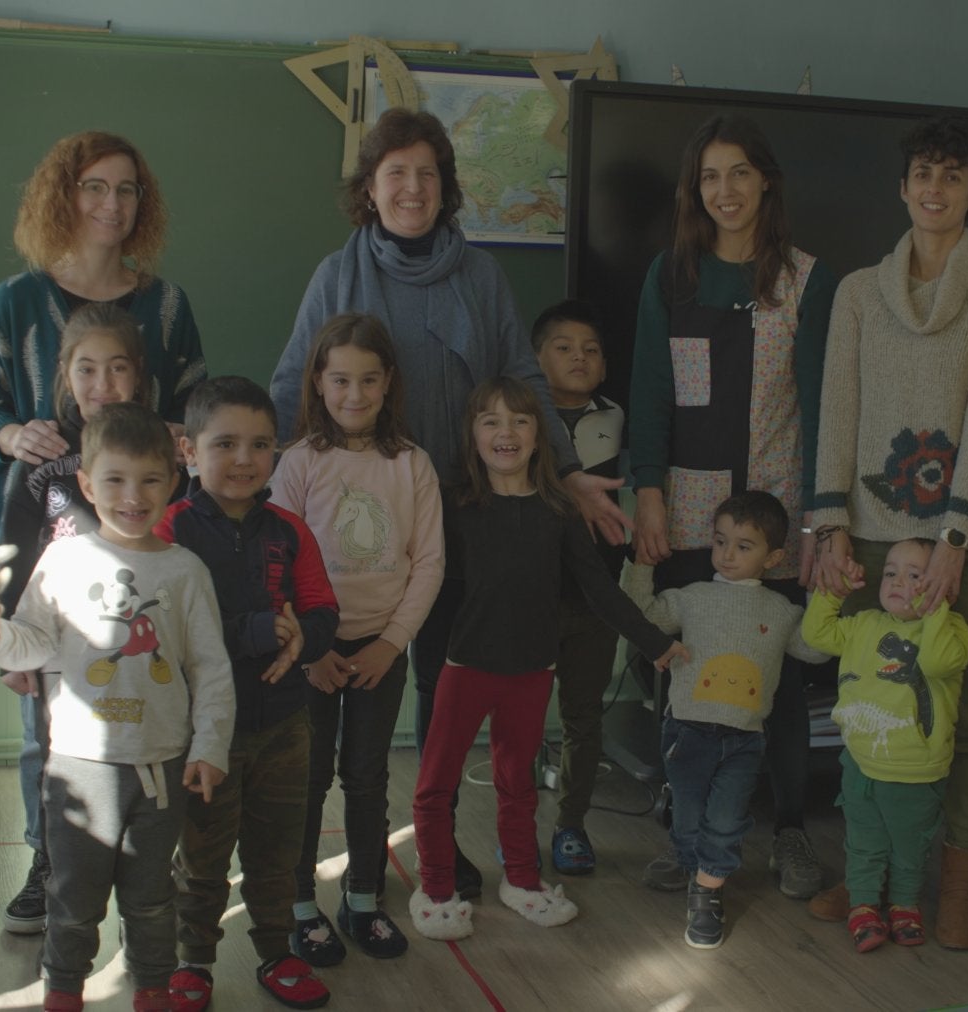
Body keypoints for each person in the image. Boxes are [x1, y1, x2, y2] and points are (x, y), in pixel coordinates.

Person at [269, 109, 625, 896]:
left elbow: (524, 383)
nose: (412, 187)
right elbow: (295, 379)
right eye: (395, 172)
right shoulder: (337, 275)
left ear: (447, 188)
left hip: (464, 520)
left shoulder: (481, 275)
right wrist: (255, 481)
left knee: (445, 686)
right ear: (369, 188)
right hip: (358, 531)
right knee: (340, 711)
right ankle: (325, 870)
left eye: (428, 172)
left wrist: (563, 471)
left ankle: (438, 843)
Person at [0, 131, 205, 932]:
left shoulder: (165, 306)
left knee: (150, 705)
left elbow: (194, 410)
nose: (111, 203)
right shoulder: (14, 301)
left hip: (144, 541)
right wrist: (10, 437)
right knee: (47, 722)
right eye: (94, 187)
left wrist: (178, 438)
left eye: (127, 189)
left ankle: (147, 857)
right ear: (64, 195)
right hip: (48, 543)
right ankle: (49, 862)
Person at [808, 117, 968, 949]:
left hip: (966, 537)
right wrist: (828, 524)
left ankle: (959, 882)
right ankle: (871, 871)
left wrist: (954, 538)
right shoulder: (860, 292)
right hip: (869, 525)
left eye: (954, 176)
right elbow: (838, 409)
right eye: (923, 174)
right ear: (903, 188)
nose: (935, 189)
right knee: (868, 704)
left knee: (965, 714)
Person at [629, 115, 839, 900]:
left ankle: (787, 829)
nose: (726, 191)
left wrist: (819, 520)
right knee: (682, 670)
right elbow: (651, 389)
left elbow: (820, 404)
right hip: (687, 511)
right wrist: (648, 492)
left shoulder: (807, 279)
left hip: (776, 512)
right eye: (711, 176)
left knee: (775, 680)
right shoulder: (671, 275)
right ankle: (685, 830)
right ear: (696, 190)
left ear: (767, 183)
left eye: (741, 173)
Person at [0, 402, 234, 1012]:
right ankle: (63, 992)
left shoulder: (186, 571)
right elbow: (29, 643)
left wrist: (210, 746)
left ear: (174, 482)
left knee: (150, 898)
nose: (132, 495)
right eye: (114, 479)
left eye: (150, 480)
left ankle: (151, 990)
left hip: (161, 766)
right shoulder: (62, 560)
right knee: (73, 897)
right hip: (78, 768)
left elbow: (211, 668)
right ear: (86, 484)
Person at [406, 378, 685, 942]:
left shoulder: (558, 511)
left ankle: (522, 882)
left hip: (531, 673)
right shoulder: (454, 506)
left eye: (520, 421)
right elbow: (423, 583)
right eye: (491, 421)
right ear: (473, 435)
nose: (505, 432)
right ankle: (435, 888)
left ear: (539, 438)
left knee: (518, 785)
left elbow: (599, 590)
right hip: (464, 668)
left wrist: (656, 643)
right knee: (435, 786)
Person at [157, 378, 339, 1012]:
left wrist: (303, 640)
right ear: (187, 450)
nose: (243, 459)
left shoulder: (289, 530)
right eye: (225, 443)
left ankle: (277, 953)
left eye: (260, 444)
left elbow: (322, 612)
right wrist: (261, 631)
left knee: (278, 854)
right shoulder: (168, 533)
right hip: (206, 735)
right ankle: (193, 964)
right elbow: (170, 637)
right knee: (202, 858)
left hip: (287, 724)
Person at [269, 312, 444, 964]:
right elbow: (275, 565)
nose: (354, 394)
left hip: (379, 651)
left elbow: (428, 562)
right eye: (340, 379)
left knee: (367, 777)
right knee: (307, 779)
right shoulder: (297, 464)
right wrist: (309, 652)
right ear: (318, 381)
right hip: (309, 654)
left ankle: (364, 898)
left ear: (388, 383)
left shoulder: (413, 465)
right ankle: (298, 904)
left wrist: (391, 643)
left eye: (369, 380)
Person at [0, 303, 159, 934]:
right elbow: (9, 558)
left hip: (138, 649)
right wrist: (11, 650)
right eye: (86, 369)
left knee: (143, 748)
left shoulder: (163, 453)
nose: (102, 384)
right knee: (47, 751)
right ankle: (48, 862)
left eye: (117, 368)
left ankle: (144, 870)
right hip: (56, 652)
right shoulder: (42, 464)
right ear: (65, 374)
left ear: (138, 376)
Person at [621, 491, 827, 949]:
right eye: (720, 541)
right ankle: (688, 856)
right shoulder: (692, 598)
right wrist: (641, 563)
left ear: (773, 557)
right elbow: (643, 616)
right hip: (686, 733)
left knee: (726, 819)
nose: (727, 554)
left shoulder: (781, 610)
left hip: (745, 741)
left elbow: (814, 648)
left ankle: (706, 894)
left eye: (743, 545)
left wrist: (825, 595)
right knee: (689, 817)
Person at [803, 539, 968, 952]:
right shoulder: (864, 623)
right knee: (863, 842)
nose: (897, 581)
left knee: (909, 848)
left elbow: (933, 663)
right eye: (891, 572)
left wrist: (934, 608)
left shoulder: (951, 630)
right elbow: (816, 634)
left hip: (916, 772)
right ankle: (862, 905)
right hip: (860, 764)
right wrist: (834, 592)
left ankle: (904, 905)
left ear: (942, 586)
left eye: (916, 576)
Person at [531, 299, 627, 876]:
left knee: (584, 715)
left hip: (594, 595)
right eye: (563, 347)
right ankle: (514, 827)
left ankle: (571, 826)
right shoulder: (516, 417)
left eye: (591, 350)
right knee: (520, 717)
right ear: (534, 358)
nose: (579, 357)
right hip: (530, 594)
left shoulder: (620, 417)